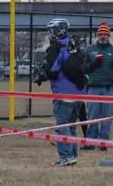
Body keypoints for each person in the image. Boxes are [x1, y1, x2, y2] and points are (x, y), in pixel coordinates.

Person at [35, 18, 102, 166]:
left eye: (52, 30)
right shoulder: (75, 45)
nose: (50, 33)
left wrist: (42, 73)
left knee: (62, 125)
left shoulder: (56, 47)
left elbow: (52, 69)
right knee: (71, 126)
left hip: (63, 92)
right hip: (78, 93)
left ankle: (65, 156)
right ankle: (72, 155)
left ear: (58, 30)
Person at [82, 22, 113, 150]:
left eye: (106, 34)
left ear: (109, 36)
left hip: (108, 88)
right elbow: (83, 69)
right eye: (101, 34)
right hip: (93, 87)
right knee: (93, 116)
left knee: (106, 117)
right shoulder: (89, 50)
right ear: (97, 35)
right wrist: (93, 64)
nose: (103, 36)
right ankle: (90, 142)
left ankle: (103, 142)